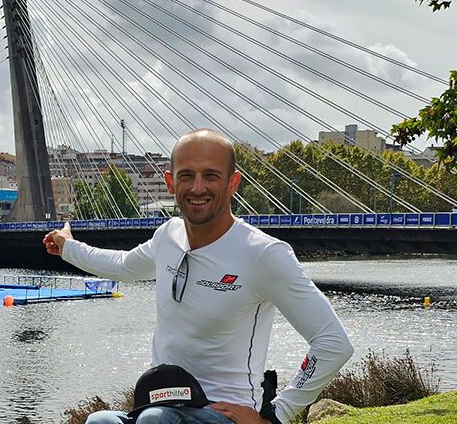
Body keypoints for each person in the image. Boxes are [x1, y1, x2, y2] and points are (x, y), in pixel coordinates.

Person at [43, 130, 353, 424]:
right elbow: (123, 265)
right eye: (187, 175)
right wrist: (68, 247)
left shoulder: (263, 254)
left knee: (155, 420)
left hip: (224, 413)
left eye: (211, 175)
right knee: (100, 420)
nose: (198, 187)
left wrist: (275, 414)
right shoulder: (168, 236)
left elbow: (333, 343)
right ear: (170, 183)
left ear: (233, 183)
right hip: (162, 402)